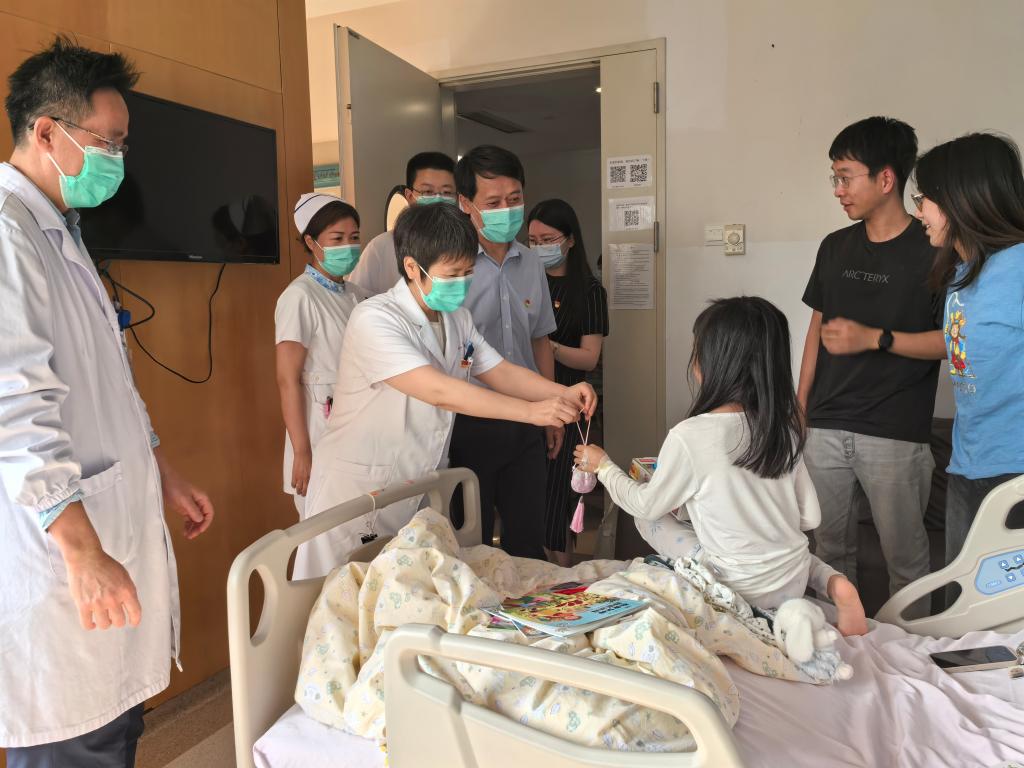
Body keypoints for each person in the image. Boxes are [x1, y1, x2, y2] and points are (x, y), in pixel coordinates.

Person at [0, 37, 214, 764]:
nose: (119, 159)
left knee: (111, 732)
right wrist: (83, 549)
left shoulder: (59, 230)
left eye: (123, 144)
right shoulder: (6, 234)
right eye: (108, 143)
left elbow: (109, 385)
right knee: (73, 741)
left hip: (104, 533)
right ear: (46, 132)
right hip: (57, 556)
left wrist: (162, 470)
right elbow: (14, 411)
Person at [298, 203, 596, 578]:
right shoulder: (375, 319)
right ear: (412, 267)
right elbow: (439, 390)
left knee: (402, 594)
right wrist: (532, 412)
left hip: (413, 483)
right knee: (337, 595)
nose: (462, 283)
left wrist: (559, 393)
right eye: (452, 274)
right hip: (359, 487)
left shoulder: (457, 318)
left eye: (468, 272)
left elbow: (500, 371)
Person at [576, 297, 868, 636]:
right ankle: (833, 583)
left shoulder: (690, 435)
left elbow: (645, 505)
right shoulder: (784, 430)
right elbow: (810, 518)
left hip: (737, 587)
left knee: (647, 516)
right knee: (782, 544)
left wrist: (603, 466)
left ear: (713, 363)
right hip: (793, 580)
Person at [797, 116, 946, 601]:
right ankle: (843, 642)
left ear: (886, 179)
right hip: (825, 425)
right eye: (834, 178)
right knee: (829, 556)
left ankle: (916, 647)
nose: (838, 190)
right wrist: (801, 407)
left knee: (907, 562)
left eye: (846, 177)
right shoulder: (835, 247)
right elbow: (816, 331)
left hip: (895, 430)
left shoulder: (934, 249)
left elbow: (951, 343)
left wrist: (875, 338)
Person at [912, 132, 1024, 565]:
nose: (918, 211)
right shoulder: (963, 273)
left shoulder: (1018, 268)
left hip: (1015, 472)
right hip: (968, 465)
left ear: (960, 199)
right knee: (962, 599)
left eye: (924, 199)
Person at [446, 145, 559, 560]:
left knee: (527, 538)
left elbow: (540, 339)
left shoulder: (530, 263)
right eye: (493, 203)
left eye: (514, 199)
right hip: (469, 421)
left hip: (528, 419)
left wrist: (552, 408)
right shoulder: (450, 267)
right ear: (466, 203)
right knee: (469, 544)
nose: (506, 211)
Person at [275, 193, 367, 515]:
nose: (348, 246)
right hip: (318, 431)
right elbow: (287, 380)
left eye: (354, 237)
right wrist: (302, 451)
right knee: (322, 527)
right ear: (311, 242)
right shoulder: (299, 296)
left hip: (357, 426)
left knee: (360, 529)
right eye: (337, 238)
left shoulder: (357, 295)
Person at [527, 199, 608, 565]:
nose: (539, 248)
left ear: (570, 240)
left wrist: (547, 345)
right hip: (527, 400)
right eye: (533, 241)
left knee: (560, 497)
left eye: (548, 240)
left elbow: (589, 357)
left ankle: (563, 574)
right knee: (531, 494)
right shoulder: (528, 283)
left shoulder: (589, 291)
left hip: (570, 404)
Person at [348, 151, 456, 296]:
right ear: (410, 196)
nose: (438, 199)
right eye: (427, 192)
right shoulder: (381, 248)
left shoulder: (468, 246)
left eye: (447, 192)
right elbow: (356, 299)